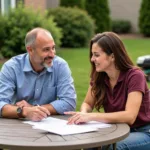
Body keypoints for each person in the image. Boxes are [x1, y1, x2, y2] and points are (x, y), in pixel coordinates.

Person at [65, 32, 150, 150]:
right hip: (116, 130)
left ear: (113, 56)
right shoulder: (99, 76)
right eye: (92, 55)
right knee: (90, 145)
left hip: (143, 132)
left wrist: (91, 116)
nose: (92, 59)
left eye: (96, 55)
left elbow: (130, 116)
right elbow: (88, 103)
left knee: (111, 147)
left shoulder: (135, 76)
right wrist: (83, 113)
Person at [0, 27, 76, 121]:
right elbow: (1, 103)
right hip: (16, 127)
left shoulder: (60, 66)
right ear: (30, 50)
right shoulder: (11, 68)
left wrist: (35, 108)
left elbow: (69, 102)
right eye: (46, 50)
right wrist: (24, 111)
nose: (52, 54)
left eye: (53, 48)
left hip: (48, 126)